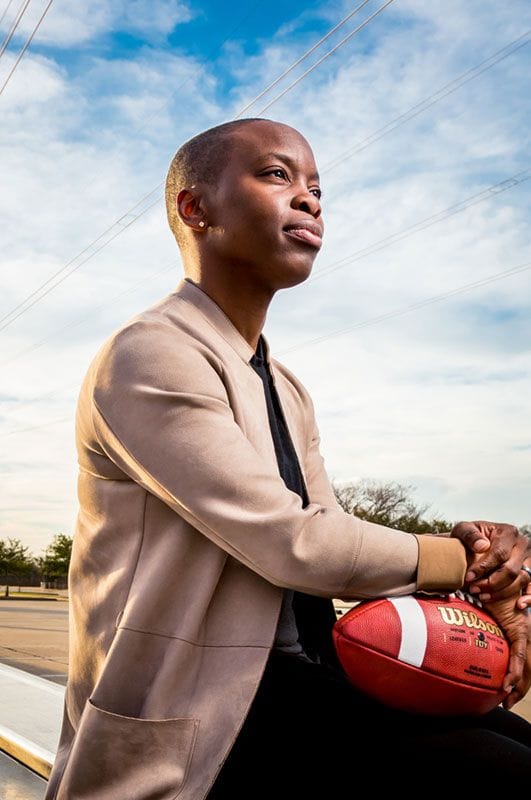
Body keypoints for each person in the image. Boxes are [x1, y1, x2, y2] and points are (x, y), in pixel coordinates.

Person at [45, 118, 531, 799]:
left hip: (302, 681)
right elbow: (296, 545)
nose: (309, 199)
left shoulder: (284, 383)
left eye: (316, 188)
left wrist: (493, 590)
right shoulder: (150, 352)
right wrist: (466, 552)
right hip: (203, 717)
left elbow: (333, 540)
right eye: (277, 175)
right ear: (196, 208)